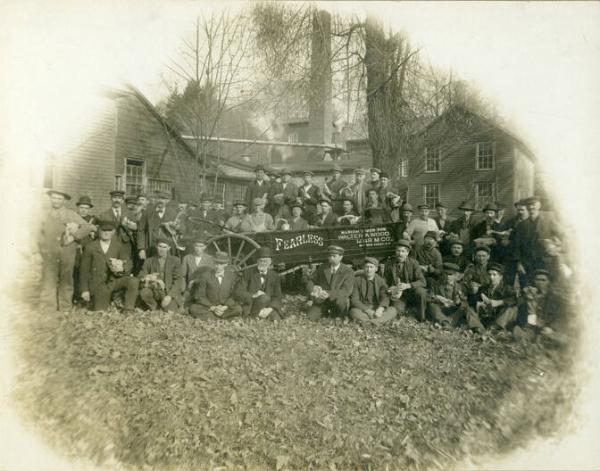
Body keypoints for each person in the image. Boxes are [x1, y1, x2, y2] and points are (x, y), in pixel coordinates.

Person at [38, 189, 93, 311]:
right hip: (50, 253)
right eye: (54, 198)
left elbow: (86, 227)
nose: (56, 201)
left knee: (66, 279)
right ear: (50, 199)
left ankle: (65, 306)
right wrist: (41, 250)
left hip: (67, 253)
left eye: (59, 198)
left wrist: (74, 236)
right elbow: (39, 234)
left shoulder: (71, 214)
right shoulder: (44, 214)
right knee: (48, 278)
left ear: (64, 201)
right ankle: (47, 306)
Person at [79, 220, 139, 312]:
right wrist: (84, 290)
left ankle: (129, 309)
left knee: (133, 281)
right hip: (98, 284)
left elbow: (129, 262)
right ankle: (105, 302)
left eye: (109, 230)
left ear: (113, 232)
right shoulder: (90, 247)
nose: (106, 233)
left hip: (114, 281)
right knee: (100, 311)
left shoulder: (118, 246)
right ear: (99, 231)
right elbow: (84, 270)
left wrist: (122, 268)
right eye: (103, 230)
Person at [513, 195, 559, 283]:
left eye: (533, 204)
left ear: (539, 205)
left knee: (546, 285)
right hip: (528, 263)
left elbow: (559, 235)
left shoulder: (549, 220)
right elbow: (517, 245)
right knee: (528, 286)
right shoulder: (521, 225)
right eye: (529, 205)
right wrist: (519, 263)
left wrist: (554, 244)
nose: (531, 207)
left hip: (546, 261)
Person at [188, 251, 244, 320]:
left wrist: (225, 307)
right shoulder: (205, 276)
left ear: (226, 264)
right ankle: (224, 317)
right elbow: (200, 296)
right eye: (216, 263)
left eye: (220, 264)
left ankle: (214, 317)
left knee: (238, 309)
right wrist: (213, 308)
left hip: (225, 306)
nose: (217, 266)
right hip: (210, 306)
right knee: (193, 308)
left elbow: (234, 295)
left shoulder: (232, 276)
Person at [305, 245, 354, 321]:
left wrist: (328, 294)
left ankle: (338, 315)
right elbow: (311, 280)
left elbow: (346, 291)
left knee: (340, 304)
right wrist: (313, 290)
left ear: (341, 257)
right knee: (311, 317)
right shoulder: (322, 268)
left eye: (334, 256)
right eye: (329, 256)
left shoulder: (348, 271)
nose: (331, 258)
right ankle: (325, 313)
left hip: (337, 301)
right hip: (322, 300)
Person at [382, 239, 427, 321]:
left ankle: (422, 317)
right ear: (395, 252)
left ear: (407, 253)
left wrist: (408, 285)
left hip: (412, 292)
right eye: (398, 251)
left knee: (421, 292)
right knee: (397, 311)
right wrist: (390, 289)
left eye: (403, 251)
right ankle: (407, 310)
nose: (400, 254)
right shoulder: (389, 263)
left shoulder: (414, 263)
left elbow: (422, 282)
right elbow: (384, 280)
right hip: (398, 295)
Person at [465, 262, 517, 333]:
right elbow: (473, 301)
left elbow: (515, 300)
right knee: (468, 308)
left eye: (494, 275)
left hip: (498, 318)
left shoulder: (507, 288)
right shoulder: (483, 288)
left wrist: (499, 302)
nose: (491, 277)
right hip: (484, 318)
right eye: (489, 274)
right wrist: (478, 303)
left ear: (500, 277)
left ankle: (493, 329)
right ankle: (479, 329)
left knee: (512, 309)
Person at [138, 237, 183, 313]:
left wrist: (169, 296)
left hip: (168, 291)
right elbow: (141, 276)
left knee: (170, 310)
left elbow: (178, 280)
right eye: (160, 246)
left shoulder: (175, 261)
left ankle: (164, 305)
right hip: (154, 291)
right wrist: (149, 277)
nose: (162, 249)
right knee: (144, 293)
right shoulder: (149, 261)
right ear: (156, 246)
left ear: (168, 248)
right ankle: (154, 307)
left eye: (164, 247)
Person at [239, 247, 283, 320]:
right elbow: (238, 291)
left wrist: (270, 308)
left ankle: (260, 315)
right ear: (257, 261)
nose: (263, 263)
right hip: (252, 306)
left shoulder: (274, 276)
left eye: (265, 261)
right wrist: (253, 295)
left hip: (267, 306)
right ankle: (254, 315)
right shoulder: (248, 273)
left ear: (270, 262)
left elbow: (277, 296)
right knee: (264, 298)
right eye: (260, 261)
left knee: (276, 319)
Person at [349, 257, 397, 325]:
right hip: (363, 308)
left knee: (393, 310)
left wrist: (380, 309)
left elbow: (385, 297)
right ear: (363, 268)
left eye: (371, 267)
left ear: (376, 269)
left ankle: (369, 322)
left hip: (376, 307)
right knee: (353, 312)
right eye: (367, 267)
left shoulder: (381, 281)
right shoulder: (357, 281)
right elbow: (354, 300)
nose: (369, 270)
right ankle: (379, 321)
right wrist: (367, 311)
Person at [137, 190, 179, 259]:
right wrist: (141, 249)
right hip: (151, 247)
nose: (160, 200)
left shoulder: (173, 213)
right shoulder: (148, 212)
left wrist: (176, 227)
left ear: (168, 201)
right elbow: (141, 230)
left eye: (163, 199)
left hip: (167, 249)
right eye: (158, 198)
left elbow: (178, 230)